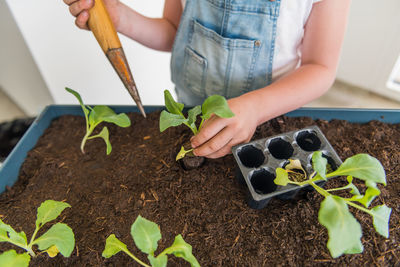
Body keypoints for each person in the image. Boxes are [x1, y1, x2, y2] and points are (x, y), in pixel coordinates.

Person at [63, 0, 351, 159]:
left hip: (270, 119)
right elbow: (174, 30)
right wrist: (121, 18)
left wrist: (254, 108)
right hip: (191, 111)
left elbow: (320, 68)